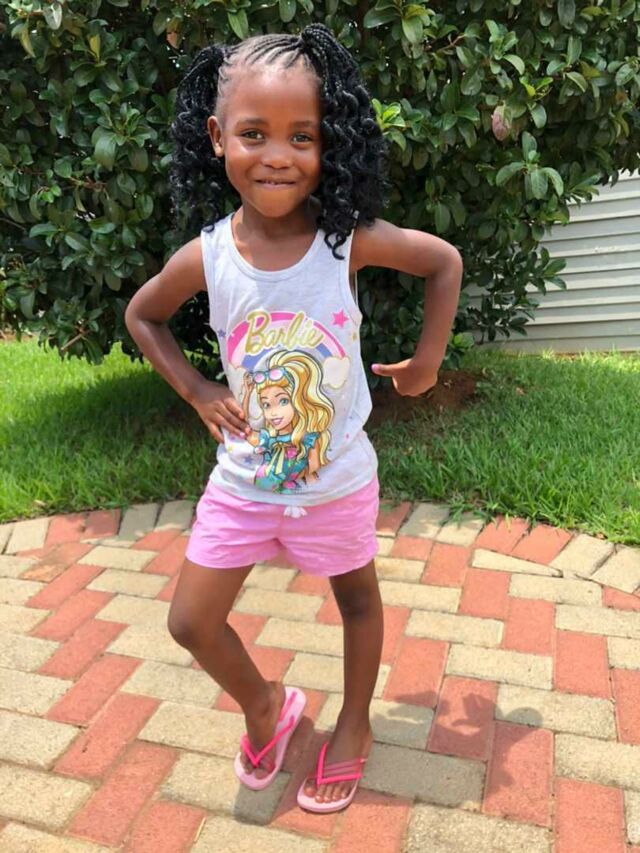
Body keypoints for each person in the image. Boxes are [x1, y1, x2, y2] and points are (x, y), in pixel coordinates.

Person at [124, 23, 463, 813]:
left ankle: (355, 722)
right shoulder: (208, 257)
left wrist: (427, 363)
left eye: (301, 136)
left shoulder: (344, 243)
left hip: (336, 479)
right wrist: (198, 390)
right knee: (191, 620)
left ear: (327, 142)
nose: (277, 155)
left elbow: (442, 261)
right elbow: (143, 316)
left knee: (358, 601)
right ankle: (267, 706)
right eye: (254, 133)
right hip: (244, 482)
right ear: (218, 137)